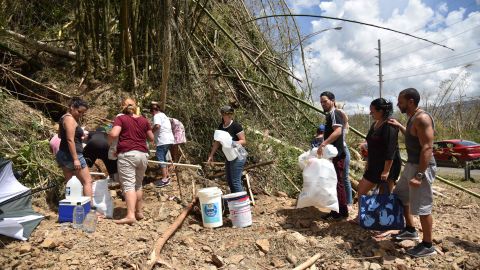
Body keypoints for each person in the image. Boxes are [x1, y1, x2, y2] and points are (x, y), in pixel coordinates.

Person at [388, 88, 437, 257]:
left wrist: (419, 175)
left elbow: (427, 147)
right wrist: (400, 126)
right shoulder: (412, 118)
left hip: (421, 167)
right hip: (411, 165)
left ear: (410, 101)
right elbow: (413, 137)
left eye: (400, 101)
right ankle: (410, 230)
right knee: (400, 196)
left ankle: (428, 245)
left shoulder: (422, 118)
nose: (397, 104)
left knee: (422, 207)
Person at [351, 98, 401, 223]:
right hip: (374, 164)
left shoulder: (390, 125)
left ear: (381, 111)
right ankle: (361, 217)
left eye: (372, 111)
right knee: (361, 190)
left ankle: (386, 222)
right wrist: (368, 161)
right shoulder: (375, 124)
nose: (370, 113)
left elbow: (391, 150)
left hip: (388, 165)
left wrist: (386, 171)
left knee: (384, 195)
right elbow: (372, 143)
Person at [109, 98, 154, 225]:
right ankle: (139, 212)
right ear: (135, 107)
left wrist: (109, 142)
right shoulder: (144, 120)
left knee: (128, 185)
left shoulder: (121, 118)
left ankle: (130, 215)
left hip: (128, 154)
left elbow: (114, 134)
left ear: (123, 107)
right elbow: (151, 138)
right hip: (143, 154)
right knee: (138, 185)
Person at [317, 91, 348, 220]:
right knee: (335, 182)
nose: (323, 104)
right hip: (334, 154)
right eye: (321, 102)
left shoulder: (334, 113)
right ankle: (339, 211)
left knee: (337, 182)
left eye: (325, 101)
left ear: (332, 100)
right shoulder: (330, 115)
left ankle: (339, 213)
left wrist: (323, 144)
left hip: (338, 154)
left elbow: (338, 131)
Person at [55, 97, 93, 197]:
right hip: (73, 155)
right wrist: (76, 159)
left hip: (63, 153)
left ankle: (71, 205)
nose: (80, 115)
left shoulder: (63, 117)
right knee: (87, 182)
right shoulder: (70, 119)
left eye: (83, 113)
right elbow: (70, 140)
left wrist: (79, 137)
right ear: (72, 107)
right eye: (79, 111)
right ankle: (90, 208)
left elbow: (60, 135)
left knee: (69, 182)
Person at [207, 105, 247, 193]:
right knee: (229, 180)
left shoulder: (236, 126)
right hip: (229, 155)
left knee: (235, 181)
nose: (228, 116)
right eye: (225, 114)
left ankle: (241, 203)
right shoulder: (221, 126)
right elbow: (217, 142)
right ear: (222, 115)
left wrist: (233, 143)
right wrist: (211, 154)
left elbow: (243, 141)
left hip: (239, 155)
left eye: (229, 114)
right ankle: (235, 201)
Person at [150, 103, 174, 187]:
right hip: (169, 139)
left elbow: (157, 126)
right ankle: (166, 177)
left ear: (153, 111)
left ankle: (164, 179)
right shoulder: (164, 115)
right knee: (163, 157)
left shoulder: (157, 116)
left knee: (160, 158)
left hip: (162, 140)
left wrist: (150, 132)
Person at [336, 104, 354, 210]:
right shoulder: (336, 124)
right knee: (338, 177)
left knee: (345, 177)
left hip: (343, 151)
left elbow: (345, 119)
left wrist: (339, 111)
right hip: (337, 152)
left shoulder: (343, 125)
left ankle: (349, 202)